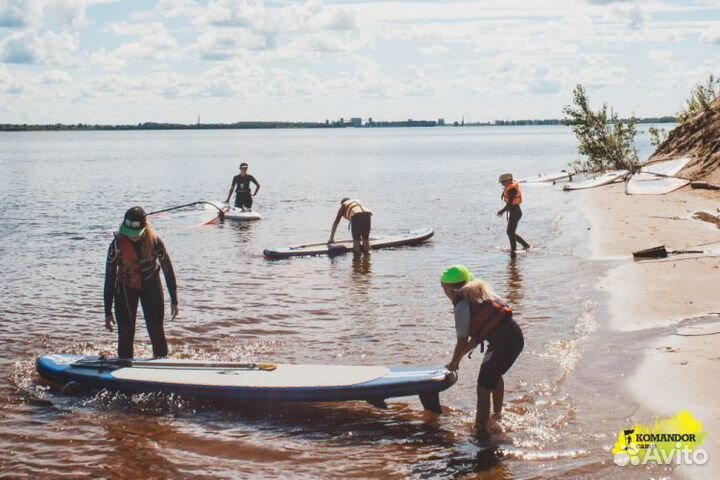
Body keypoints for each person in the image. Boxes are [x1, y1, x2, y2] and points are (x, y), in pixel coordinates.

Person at [441, 265, 524, 440]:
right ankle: (497, 416)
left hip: (504, 342)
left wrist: (454, 363)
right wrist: (456, 361)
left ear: (449, 288)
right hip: (513, 336)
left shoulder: (462, 305)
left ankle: (481, 431)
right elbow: (475, 338)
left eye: (444, 289)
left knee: (483, 386)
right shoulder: (477, 296)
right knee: (493, 373)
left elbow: (462, 340)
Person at [104, 206, 179, 359]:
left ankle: (161, 362)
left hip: (151, 287)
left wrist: (174, 300)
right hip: (125, 290)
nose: (132, 237)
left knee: (156, 329)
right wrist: (107, 311)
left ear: (144, 228)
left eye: (136, 234)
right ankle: (124, 366)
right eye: (129, 233)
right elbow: (110, 276)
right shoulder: (116, 246)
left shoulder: (155, 241)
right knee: (125, 332)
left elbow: (168, 269)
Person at [496, 173, 530, 256]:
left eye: (503, 181)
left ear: (508, 181)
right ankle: (524, 245)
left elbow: (510, 203)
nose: (502, 183)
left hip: (516, 212)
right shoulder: (509, 187)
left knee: (510, 232)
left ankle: (514, 250)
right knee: (510, 232)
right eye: (501, 182)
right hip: (514, 212)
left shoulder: (512, 189)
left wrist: (502, 211)